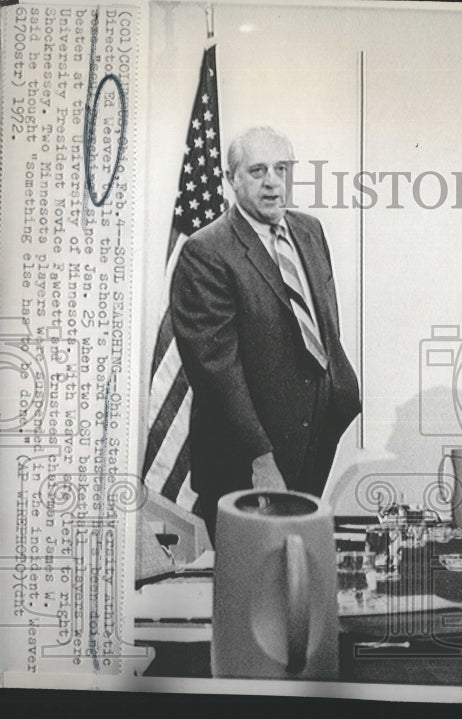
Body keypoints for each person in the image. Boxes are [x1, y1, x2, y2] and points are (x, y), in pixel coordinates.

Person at [170, 127, 361, 540]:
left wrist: (342, 395)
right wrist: (261, 459)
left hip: (313, 442)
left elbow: (322, 324)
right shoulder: (206, 251)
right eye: (257, 171)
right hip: (250, 462)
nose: (272, 181)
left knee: (297, 575)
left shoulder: (309, 231)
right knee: (253, 589)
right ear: (231, 179)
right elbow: (216, 371)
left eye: (281, 169)